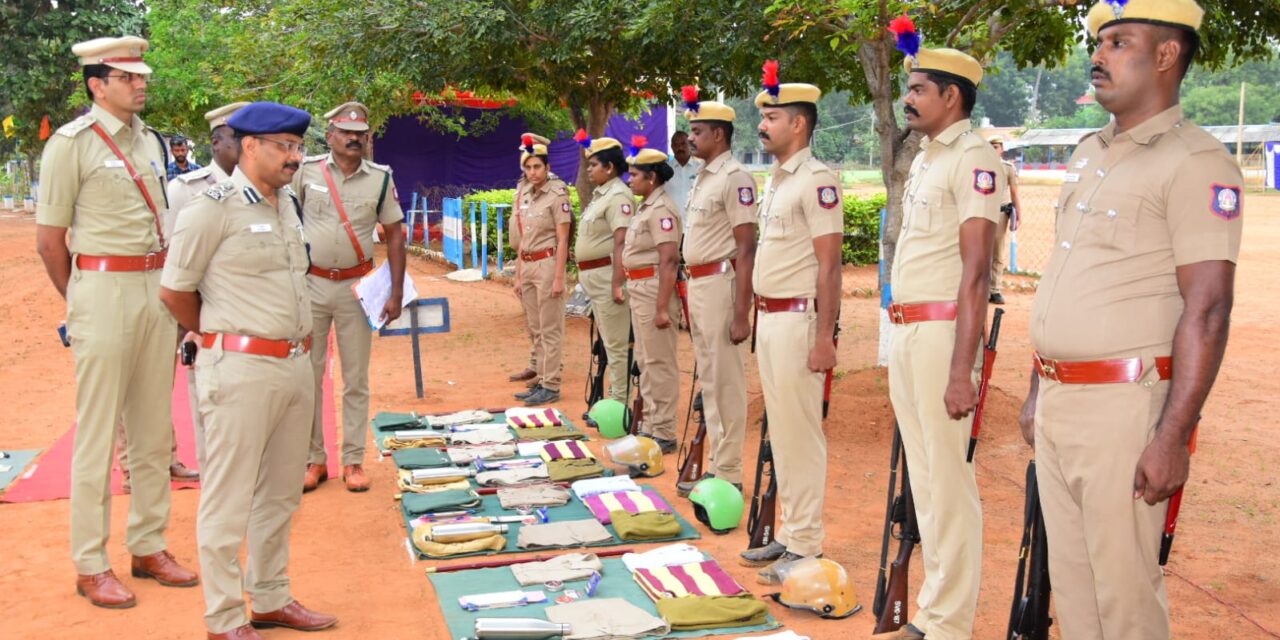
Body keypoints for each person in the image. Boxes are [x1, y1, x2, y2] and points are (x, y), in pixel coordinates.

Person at [1020, 2, 1241, 638]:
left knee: (1124, 596)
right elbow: (1066, 285)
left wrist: (1172, 436)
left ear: (1167, 56)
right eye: (1098, 42)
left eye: (1118, 42)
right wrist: (1040, 387)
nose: (1097, 56)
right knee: (1074, 585)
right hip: (1061, 398)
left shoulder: (1194, 161)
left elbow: (1208, 308)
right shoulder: (1090, 153)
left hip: (1125, 407)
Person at [160, 101, 339, 639]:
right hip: (238, 369)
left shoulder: (288, 205)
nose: (295, 156)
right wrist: (221, 336)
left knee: (281, 494)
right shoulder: (209, 207)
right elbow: (174, 290)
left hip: (293, 366)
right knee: (229, 497)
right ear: (250, 147)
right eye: (284, 146)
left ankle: (269, 597)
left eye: (298, 146)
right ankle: (224, 618)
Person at [35, 35, 199, 610]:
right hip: (101, 289)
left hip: (154, 289)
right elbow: (50, 241)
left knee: (154, 430)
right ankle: (90, 562)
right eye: (127, 77)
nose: (141, 83)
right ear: (97, 84)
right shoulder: (69, 145)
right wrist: (79, 297)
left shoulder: (153, 143)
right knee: (98, 432)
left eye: (141, 76)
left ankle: (149, 544)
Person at [875, 44, 1003, 640]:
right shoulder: (927, 157)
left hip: (940, 333)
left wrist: (962, 370)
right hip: (907, 330)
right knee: (924, 481)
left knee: (947, 483)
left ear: (951, 96)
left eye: (919, 88)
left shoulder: (973, 159)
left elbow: (977, 271)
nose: (907, 98)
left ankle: (950, 625)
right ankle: (933, 613)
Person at [737, 67, 842, 586]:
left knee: (802, 433)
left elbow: (830, 265)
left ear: (798, 125)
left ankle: (807, 542)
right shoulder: (778, 181)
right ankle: (792, 532)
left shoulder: (817, 181)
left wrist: (825, 337)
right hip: (772, 318)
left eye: (772, 117)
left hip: (800, 320)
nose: (763, 124)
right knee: (782, 431)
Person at [115, 102, 250, 489]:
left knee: (202, 389)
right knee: (149, 387)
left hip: (219, 303)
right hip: (174, 299)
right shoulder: (185, 189)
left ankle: (173, 461)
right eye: (237, 138)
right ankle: (134, 466)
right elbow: (175, 253)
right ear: (216, 141)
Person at [293, 101, 406, 493]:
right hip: (311, 285)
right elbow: (285, 221)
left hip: (356, 290)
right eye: (346, 132)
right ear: (331, 136)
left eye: (360, 133)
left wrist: (395, 291)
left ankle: (353, 460)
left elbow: (395, 234)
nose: (355, 138)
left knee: (355, 379)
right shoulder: (306, 173)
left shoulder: (379, 179)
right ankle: (314, 460)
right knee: (308, 376)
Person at [674, 94, 756, 496]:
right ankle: (716, 467)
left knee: (725, 383)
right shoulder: (705, 176)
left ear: (718, 135)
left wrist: (742, 313)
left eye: (697, 131)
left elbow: (746, 248)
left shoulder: (735, 178)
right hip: (700, 285)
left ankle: (729, 471)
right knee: (709, 380)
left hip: (722, 285)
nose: (690, 138)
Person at [622, 140, 683, 453]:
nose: (629, 180)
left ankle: (664, 430)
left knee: (659, 362)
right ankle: (649, 424)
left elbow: (669, 259)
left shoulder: (661, 210)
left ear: (652, 178)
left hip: (653, 290)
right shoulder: (646, 206)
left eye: (635, 175)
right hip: (640, 289)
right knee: (646, 360)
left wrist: (662, 307)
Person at [511, 135, 571, 406]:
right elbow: (524, 237)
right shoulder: (528, 195)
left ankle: (551, 384)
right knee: (536, 328)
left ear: (547, 167)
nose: (533, 172)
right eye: (528, 167)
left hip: (548, 266)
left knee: (550, 329)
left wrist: (559, 277)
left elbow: (563, 239)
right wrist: (518, 273)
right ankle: (542, 380)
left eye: (537, 167)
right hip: (529, 265)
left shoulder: (557, 195)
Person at [574, 135, 633, 403]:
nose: (589, 169)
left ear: (609, 167)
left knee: (616, 345)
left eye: (594, 164)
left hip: (608, 275)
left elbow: (622, 241)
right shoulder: (602, 195)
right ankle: (612, 399)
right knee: (607, 342)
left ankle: (619, 403)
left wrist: (617, 283)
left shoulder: (619, 195)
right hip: (594, 277)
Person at [507, 131, 552, 385]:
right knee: (532, 320)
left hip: (543, 259)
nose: (525, 159)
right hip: (525, 257)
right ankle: (536, 363)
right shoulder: (523, 185)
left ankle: (548, 369)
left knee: (545, 323)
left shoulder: (549, 188)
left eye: (531, 152)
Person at [987, 136, 1022, 305]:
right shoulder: (978, 167)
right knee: (979, 252)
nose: (993, 149)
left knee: (997, 252)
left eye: (996, 146)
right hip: (981, 214)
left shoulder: (1008, 168)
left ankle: (995, 290)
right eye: (990, 146)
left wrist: (1018, 213)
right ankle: (980, 289)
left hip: (1000, 214)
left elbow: (1014, 192)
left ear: (1002, 149)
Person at [665, 130, 702, 220]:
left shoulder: (700, 169)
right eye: (676, 145)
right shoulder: (665, 170)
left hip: (694, 224)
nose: (680, 148)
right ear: (672, 147)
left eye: (683, 144)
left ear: (689, 145)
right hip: (670, 225)